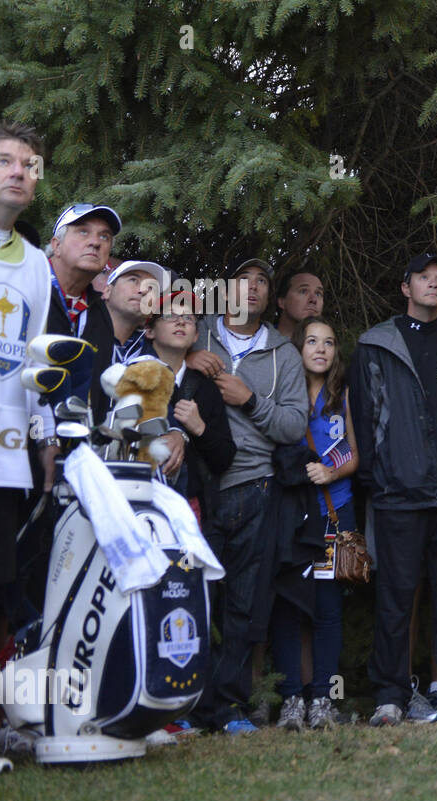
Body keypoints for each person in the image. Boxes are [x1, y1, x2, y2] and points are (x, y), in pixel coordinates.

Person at [350, 253, 437, 728]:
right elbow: (364, 421)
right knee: (395, 597)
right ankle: (390, 696)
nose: (433, 285)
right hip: (398, 494)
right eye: (424, 278)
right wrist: (378, 479)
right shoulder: (376, 345)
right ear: (406, 288)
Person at [184, 255, 308, 733]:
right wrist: (190, 357)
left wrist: (251, 400)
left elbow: (295, 425)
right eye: (242, 280)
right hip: (198, 486)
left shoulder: (284, 353)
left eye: (261, 282)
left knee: (244, 605)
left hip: (256, 486)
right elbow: (159, 360)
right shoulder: (199, 334)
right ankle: (190, 704)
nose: (252, 289)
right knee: (195, 600)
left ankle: (231, 708)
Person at [0, 121, 54, 774]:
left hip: (4, 459)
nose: (17, 172)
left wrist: (45, 439)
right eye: (3, 160)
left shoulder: (35, 265)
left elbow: (37, 366)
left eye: (28, 165)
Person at [272, 317, 358, 730]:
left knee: (326, 609)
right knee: (288, 605)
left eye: (329, 342)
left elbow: (354, 453)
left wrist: (332, 471)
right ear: (297, 347)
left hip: (333, 512)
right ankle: (291, 698)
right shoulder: (282, 389)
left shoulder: (342, 394)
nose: (321, 349)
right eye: (311, 341)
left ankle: (323, 698)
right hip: (291, 514)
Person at [143, 286, 235, 523]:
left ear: (196, 336)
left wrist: (199, 429)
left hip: (187, 506)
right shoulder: (133, 373)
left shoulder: (206, 388)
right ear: (150, 330)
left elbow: (224, 458)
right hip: (135, 497)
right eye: (170, 316)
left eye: (188, 318)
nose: (180, 322)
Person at [45, 202, 121, 422]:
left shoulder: (100, 313)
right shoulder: (26, 286)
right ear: (56, 245)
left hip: (74, 439)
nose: (95, 242)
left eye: (105, 237)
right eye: (83, 232)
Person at [103, 259, 167, 364]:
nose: (144, 290)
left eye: (151, 287)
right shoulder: (79, 330)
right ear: (107, 291)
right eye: (133, 280)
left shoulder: (154, 363)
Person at [274, 270, 324, 339]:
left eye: (318, 293)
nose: (313, 300)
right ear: (282, 301)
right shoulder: (259, 341)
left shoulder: (325, 348)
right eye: (303, 291)